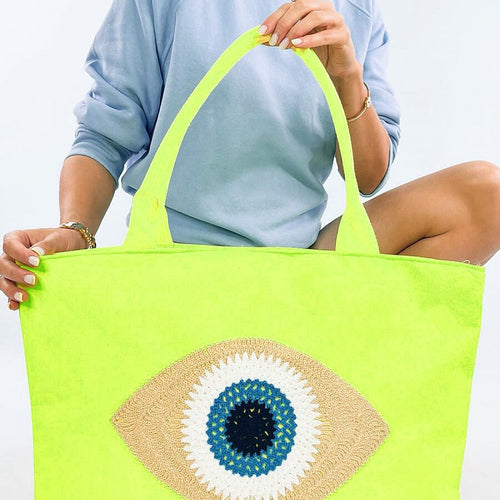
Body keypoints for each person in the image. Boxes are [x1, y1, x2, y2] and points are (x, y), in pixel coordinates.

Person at [1, 0, 499, 312]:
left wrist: (347, 76)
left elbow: (368, 175)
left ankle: (340, 377)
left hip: (299, 270)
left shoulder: (356, 9)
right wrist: (76, 230)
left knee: (488, 194)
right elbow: (105, 133)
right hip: (175, 269)